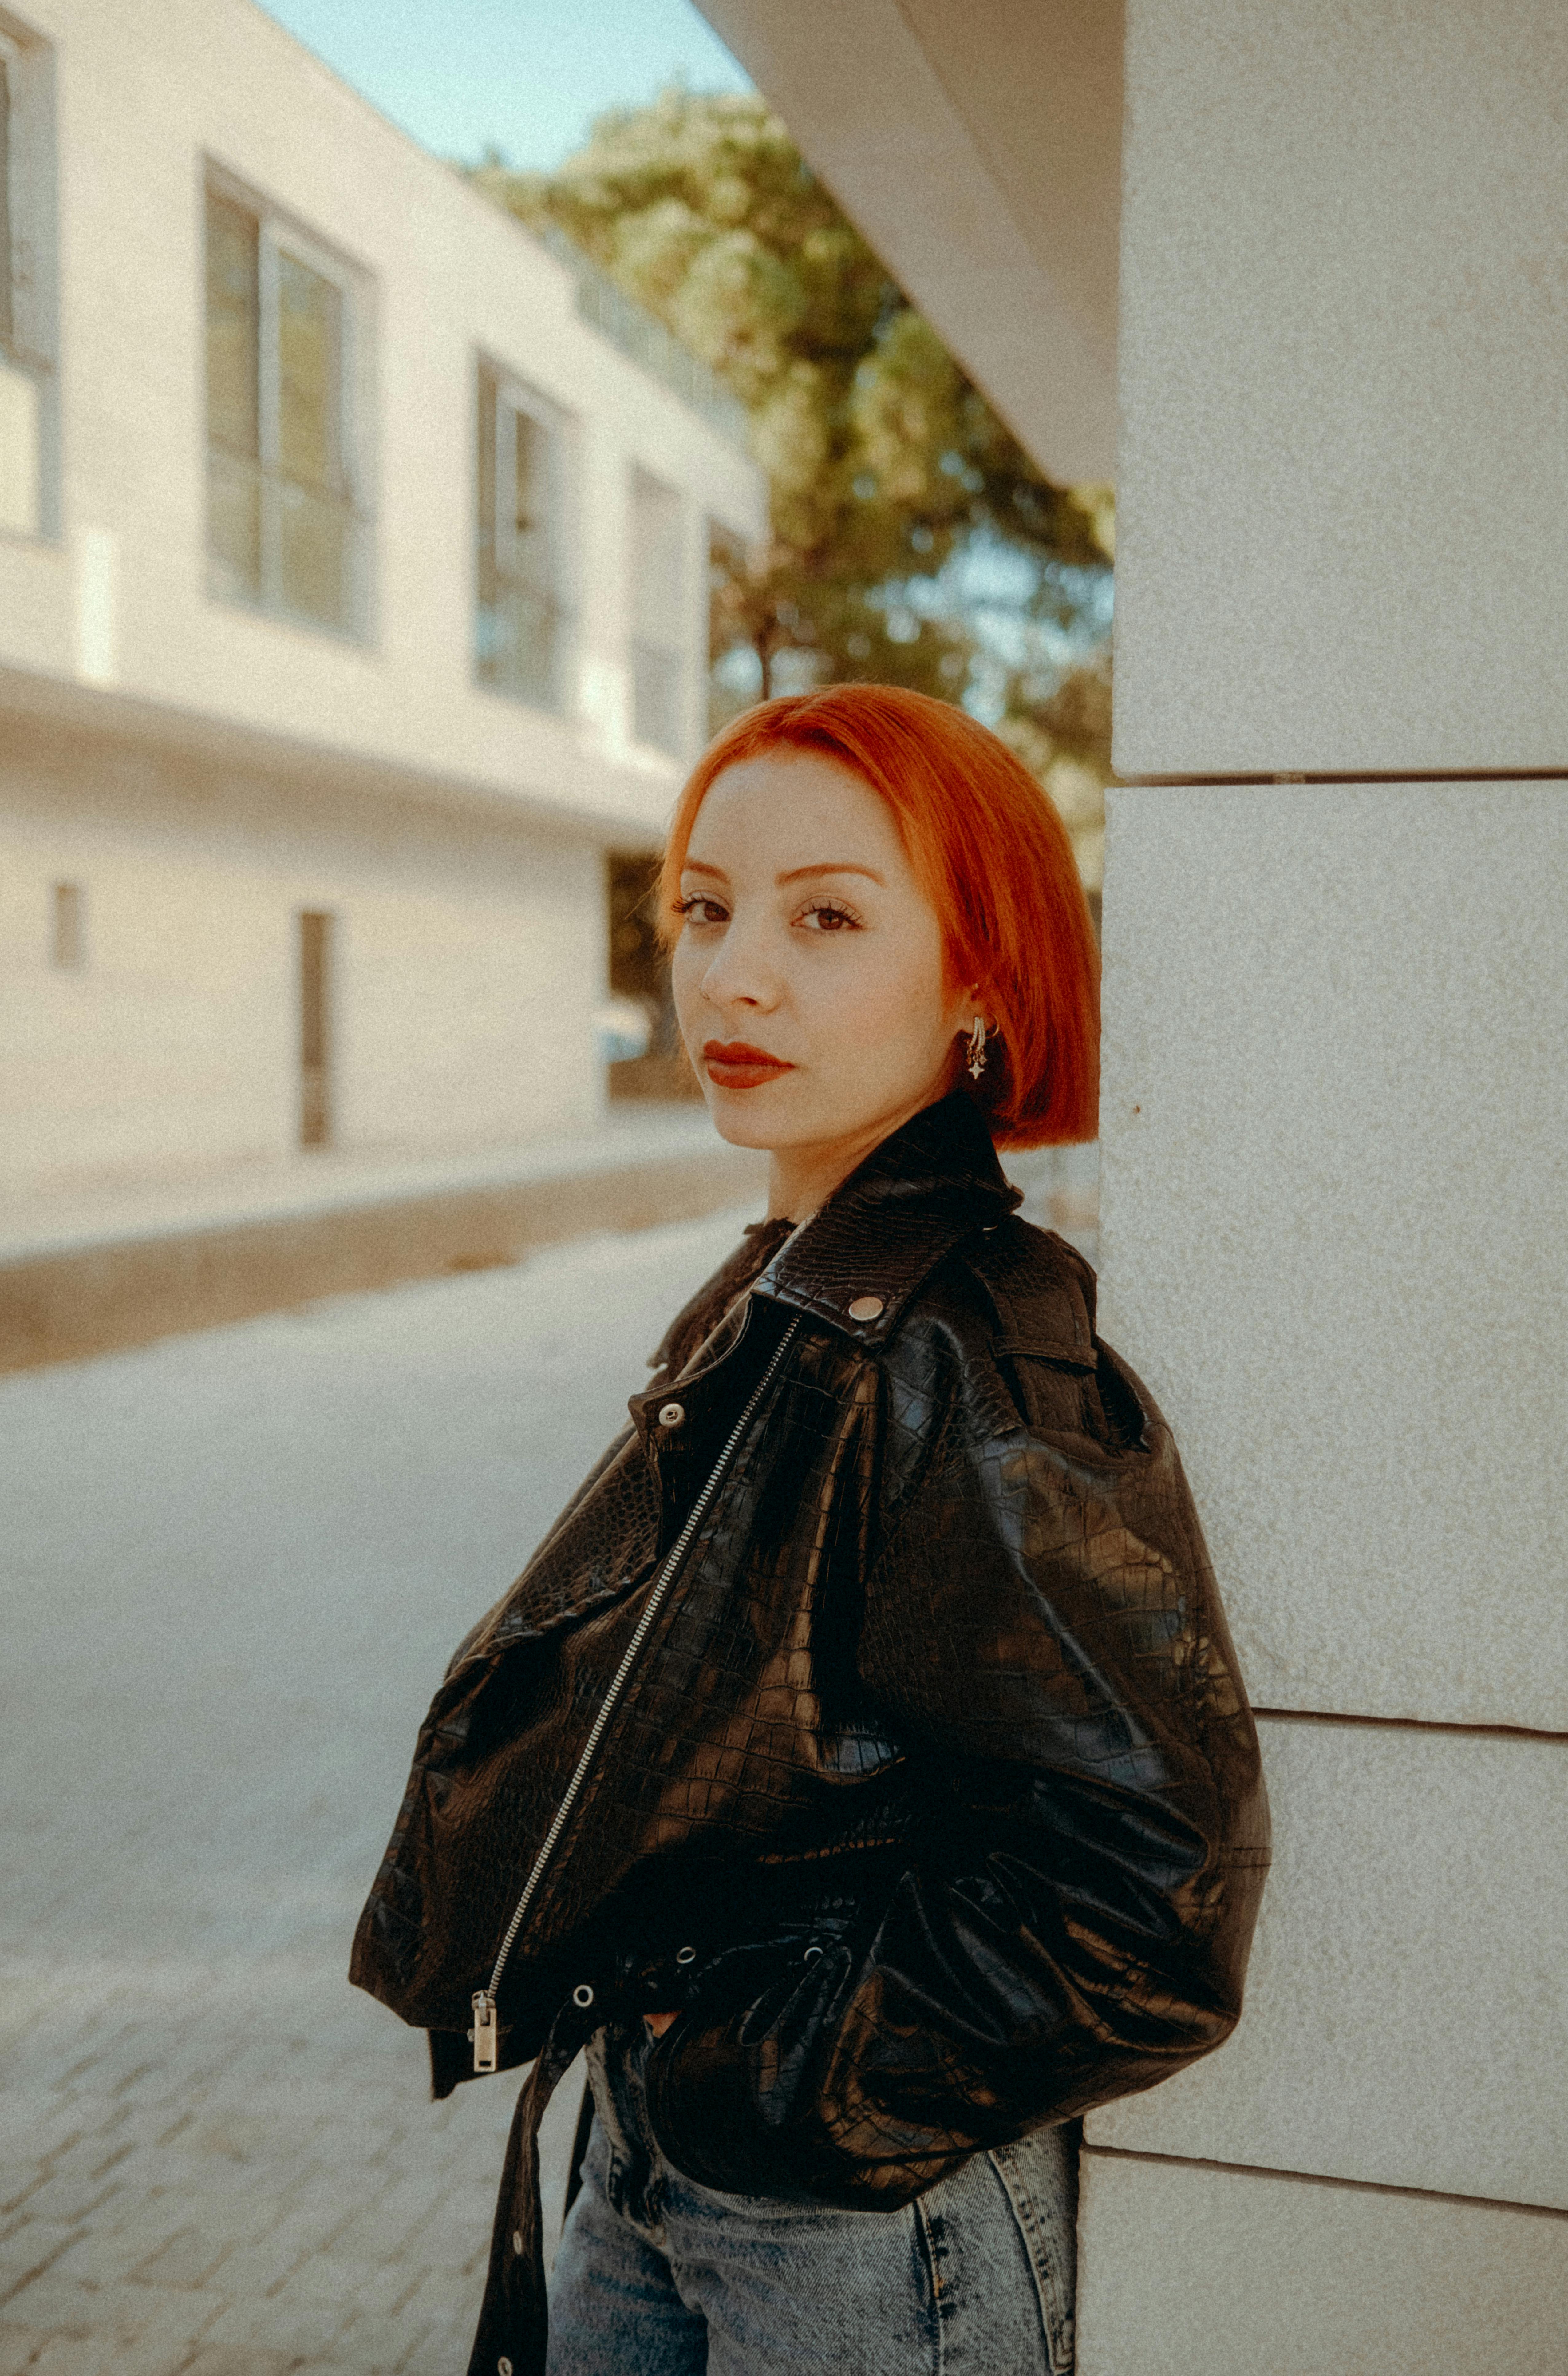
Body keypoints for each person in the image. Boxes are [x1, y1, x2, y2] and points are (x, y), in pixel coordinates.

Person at [349, 684, 1270, 2376]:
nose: (732, 976)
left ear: (979, 979)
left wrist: (755, 2076)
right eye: (705, 909)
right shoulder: (792, 1305)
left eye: (827, 917)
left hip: (849, 2219)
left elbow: (1146, 1911)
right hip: (658, 2148)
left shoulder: (972, 1355)